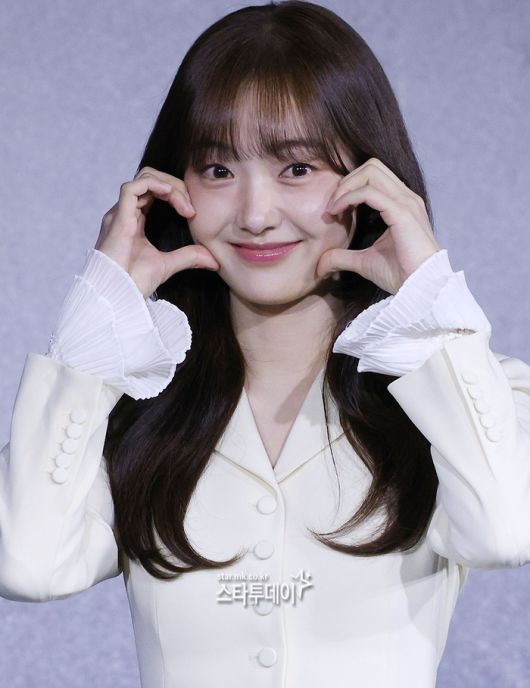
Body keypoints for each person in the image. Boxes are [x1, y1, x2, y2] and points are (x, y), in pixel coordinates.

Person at [1, 1, 529, 686]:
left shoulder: (468, 390)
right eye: (218, 170)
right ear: (172, 189)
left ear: (374, 181)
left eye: (297, 168)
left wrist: (428, 299)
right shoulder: (129, 410)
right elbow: (29, 566)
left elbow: (506, 533)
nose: (255, 215)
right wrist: (95, 325)